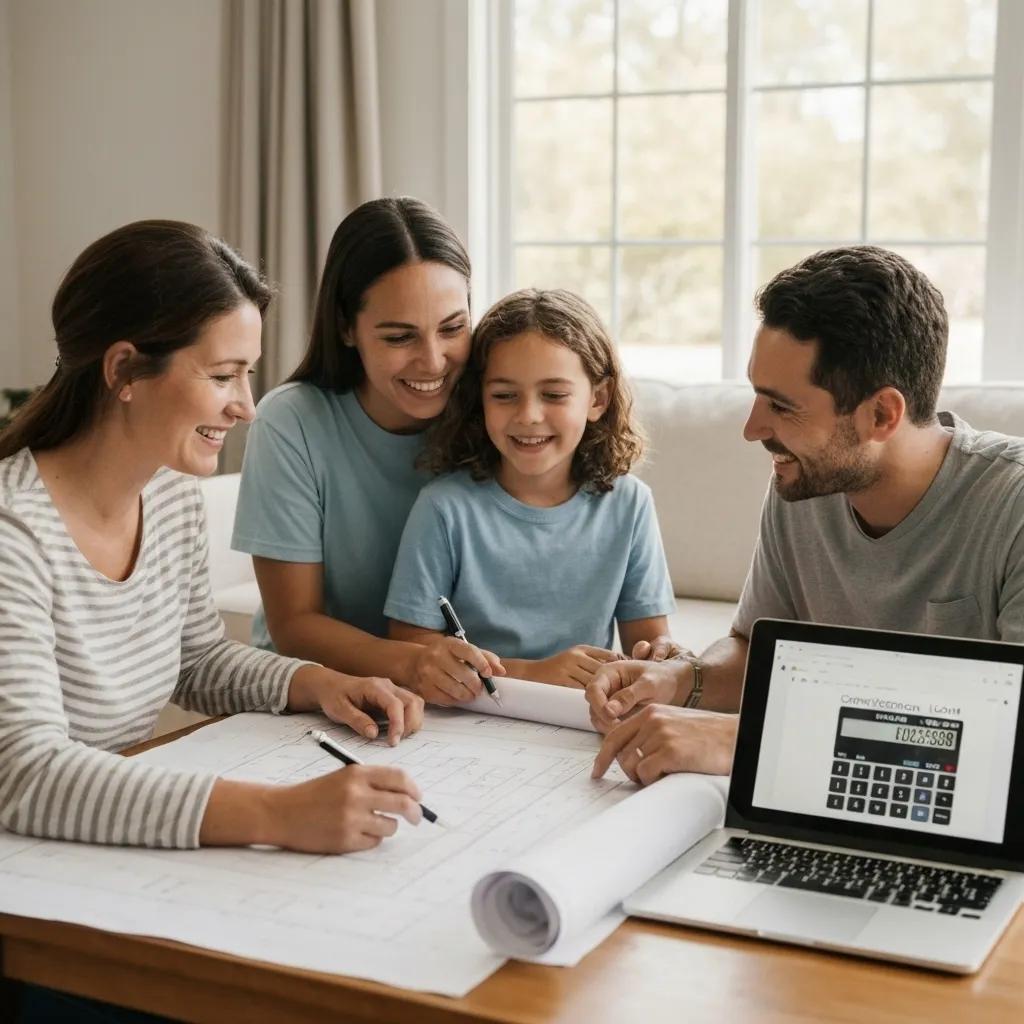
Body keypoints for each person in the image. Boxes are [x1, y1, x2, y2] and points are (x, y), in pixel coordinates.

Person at [0, 220, 427, 858]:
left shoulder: (169, 497)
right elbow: (27, 773)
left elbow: (197, 660)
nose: (247, 407)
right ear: (124, 370)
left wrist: (320, 684)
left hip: (95, 850)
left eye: (247, 375)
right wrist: (278, 814)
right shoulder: (15, 531)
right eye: (224, 375)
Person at [587, 245, 1024, 784]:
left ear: (882, 414)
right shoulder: (803, 482)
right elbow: (756, 652)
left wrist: (746, 740)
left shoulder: (1013, 508)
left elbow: (1008, 735)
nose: (752, 428)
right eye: (755, 395)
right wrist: (679, 680)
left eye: (782, 406)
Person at [231, 197, 506, 706]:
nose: (432, 361)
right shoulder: (291, 422)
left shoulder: (498, 414)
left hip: (452, 696)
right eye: (400, 336)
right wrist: (416, 661)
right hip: (316, 694)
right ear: (345, 328)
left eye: (452, 328)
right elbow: (294, 626)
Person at [384, 288, 677, 687]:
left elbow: (648, 643)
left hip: (578, 718)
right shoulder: (444, 508)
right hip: (470, 716)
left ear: (598, 398)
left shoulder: (630, 504)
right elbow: (410, 648)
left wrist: (664, 659)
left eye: (554, 395)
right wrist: (535, 674)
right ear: (480, 400)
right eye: (504, 396)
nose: (528, 416)